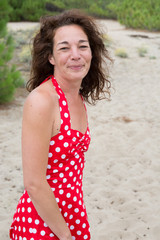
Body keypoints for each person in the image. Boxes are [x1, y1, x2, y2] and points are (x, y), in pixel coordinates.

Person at [10, 9, 111, 240]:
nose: (75, 55)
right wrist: (65, 235)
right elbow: (34, 182)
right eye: (64, 48)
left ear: (91, 52)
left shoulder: (77, 96)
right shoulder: (42, 101)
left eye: (82, 46)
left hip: (72, 214)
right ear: (51, 57)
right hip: (43, 222)